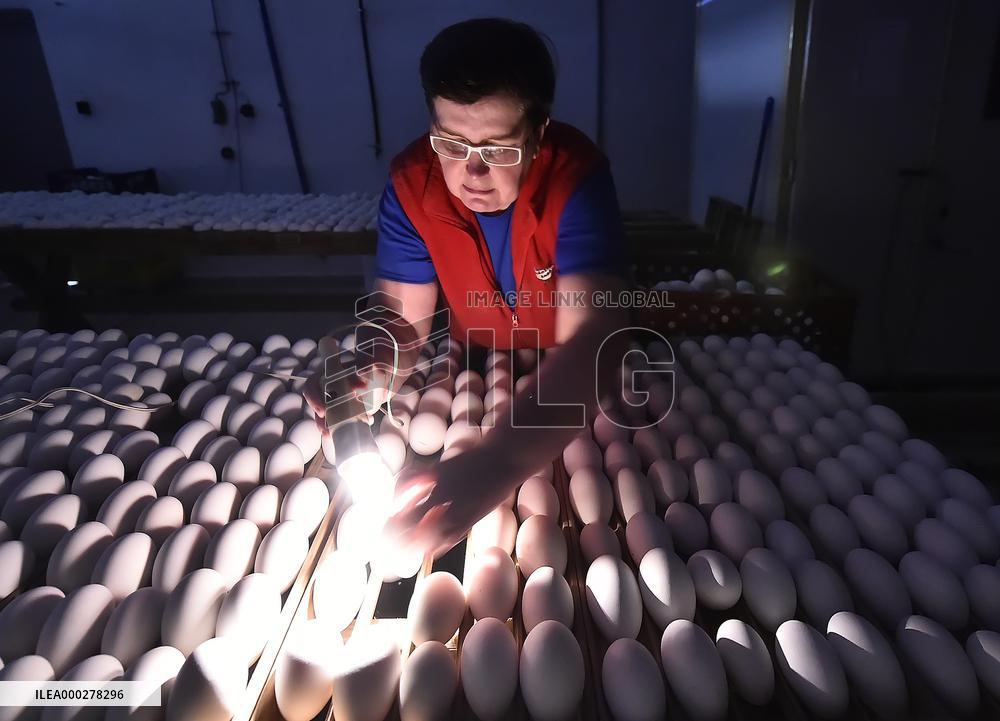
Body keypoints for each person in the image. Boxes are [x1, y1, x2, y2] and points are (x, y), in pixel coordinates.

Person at [308, 18, 630, 559]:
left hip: (572, 380)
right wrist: (371, 374)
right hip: (480, 358)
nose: (473, 172)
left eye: (499, 150)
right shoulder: (414, 184)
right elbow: (400, 324)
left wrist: (496, 464)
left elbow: (596, 339)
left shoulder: (576, 178)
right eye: (452, 143)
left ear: (539, 133)